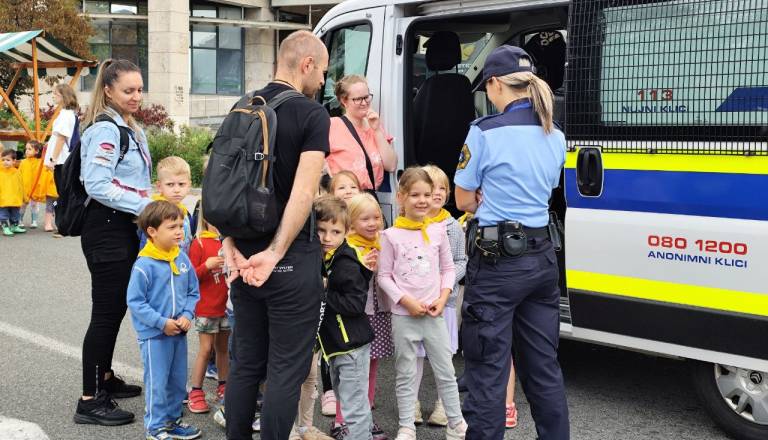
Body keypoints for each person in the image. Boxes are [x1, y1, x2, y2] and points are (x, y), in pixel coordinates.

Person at [454, 45, 568, 440]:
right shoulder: (554, 132)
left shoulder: (484, 131)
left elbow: (463, 200)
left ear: (496, 83)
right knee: (544, 369)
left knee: (487, 374)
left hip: (498, 264)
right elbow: (548, 188)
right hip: (541, 261)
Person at [221, 30, 330, 440]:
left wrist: (230, 243)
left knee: (247, 362)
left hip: (244, 258)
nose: (322, 81)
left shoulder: (242, 107)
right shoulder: (311, 114)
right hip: (289, 259)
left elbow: (223, 185)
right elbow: (304, 192)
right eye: (320, 71)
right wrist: (276, 252)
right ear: (305, 64)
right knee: (286, 367)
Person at [73, 58, 151, 426]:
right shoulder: (105, 130)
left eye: (139, 89)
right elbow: (98, 184)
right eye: (128, 90)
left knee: (116, 309)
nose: (136, 96)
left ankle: (104, 378)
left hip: (122, 228)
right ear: (108, 91)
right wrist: (149, 206)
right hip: (106, 229)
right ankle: (89, 400)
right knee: (105, 315)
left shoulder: (126, 125)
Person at [377, 167, 467, 440]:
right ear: (401, 197)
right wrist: (405, 301)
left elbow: (449, 269)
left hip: (434, 313)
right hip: (405, 316)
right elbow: (383, 276)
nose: (422, 200)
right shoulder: (390, 235)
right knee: (405, 371)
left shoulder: (439, 231)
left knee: (446, 371)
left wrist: (442, 297)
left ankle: (455, 421)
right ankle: (406, 424)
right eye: (415, 194)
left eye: (427, 194)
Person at [127, 200, 201, 440]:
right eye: (172, 227)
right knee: (158, 383)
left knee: (178, 382)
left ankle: (171, 421)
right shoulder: (144, 265)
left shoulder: (181, 258)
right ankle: (155, 427)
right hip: (155, 335)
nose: (180, 231)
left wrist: (188, 315)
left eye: (181, 225)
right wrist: (161, 322)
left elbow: (193, 291)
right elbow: (136, 302)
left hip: (178, 332)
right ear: (152, 231)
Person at [315, 195, 375, 440]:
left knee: (353, 407)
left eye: (335, 232)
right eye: (321, 230)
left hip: (351, 346)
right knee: (350, 402)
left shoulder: (346, 261)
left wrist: (323, 290)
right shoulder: (325, 257)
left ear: (347, 232)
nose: (327, 238)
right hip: (338, 346)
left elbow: (355, 304)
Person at [412, 165, 467, 427]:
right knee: (415, 356)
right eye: (431, 188)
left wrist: (443, 284)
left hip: (443, 303)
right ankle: (411, 405)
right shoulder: (408, 225)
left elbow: (460, 261)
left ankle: (444, 407)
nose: (437, 193)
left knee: (443, 357)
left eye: (443, 188)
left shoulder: (452, 226)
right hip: (414, 303)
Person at [342, 193, 391, 440]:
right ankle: (344, 421)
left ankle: (366, 416)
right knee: (352, 370)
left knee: (372, 366)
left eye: (377, 218)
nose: (373, 223)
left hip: (379, 313)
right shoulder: (347, 247)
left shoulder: (383, 242)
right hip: (356, 317)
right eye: (365, 219)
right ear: (351, 222)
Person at [187, 212, 229, 414]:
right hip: (206, 307)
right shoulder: (199, 243)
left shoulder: (229, 241)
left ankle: (224, 384)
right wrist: (207, 266)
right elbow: (189, 276)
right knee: (206, 349)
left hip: (226, 306)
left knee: (223, 348)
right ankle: (195, 391)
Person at [326, 75, 397, 191]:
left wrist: (377, 130)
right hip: (345, 199)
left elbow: (391, 165)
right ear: (344, 101)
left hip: (369, 198)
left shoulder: (374, 125)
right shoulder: (332, 126)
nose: (364, 103)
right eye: (358, 99)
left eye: (366, 97)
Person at [44, 83, 79, 233]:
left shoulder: (65, 114)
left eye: (55, 93)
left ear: (63, 96)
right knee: (64, 191)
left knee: (63, 192)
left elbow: (60, 139)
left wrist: (52, 159)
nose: (53, 96)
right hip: (64, 158)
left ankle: (64, 225)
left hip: (62, 159)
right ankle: (65, 224)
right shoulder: (69, 113)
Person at [141, 156, 193, 253]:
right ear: (159, 186)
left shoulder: (184, 211)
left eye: (181, 184)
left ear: (189, 186)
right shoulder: (155, 213)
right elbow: (147, 247)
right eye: (170, 184)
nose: (177, 190)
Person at [18, 141, 50, 229]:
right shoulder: (23, 162)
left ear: (36, 151)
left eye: (29, 149)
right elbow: (19, 174)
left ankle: (34, 220)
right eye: (26, 149)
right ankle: (19, 220)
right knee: (22, 205)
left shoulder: (40, 162)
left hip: (35, 187)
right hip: (25, 188)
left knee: (34, 205)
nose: (27, 151)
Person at [0, 149, 26, 236]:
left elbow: (21, 185)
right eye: (3, 160)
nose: (5, 162)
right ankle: (5, 227)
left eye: (8, 160)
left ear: (14, 161)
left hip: (15, 198)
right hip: (3, 199)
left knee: (15, 214)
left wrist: (24, 197)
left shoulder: (17, 172)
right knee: (3, 214)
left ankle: (14, 226)